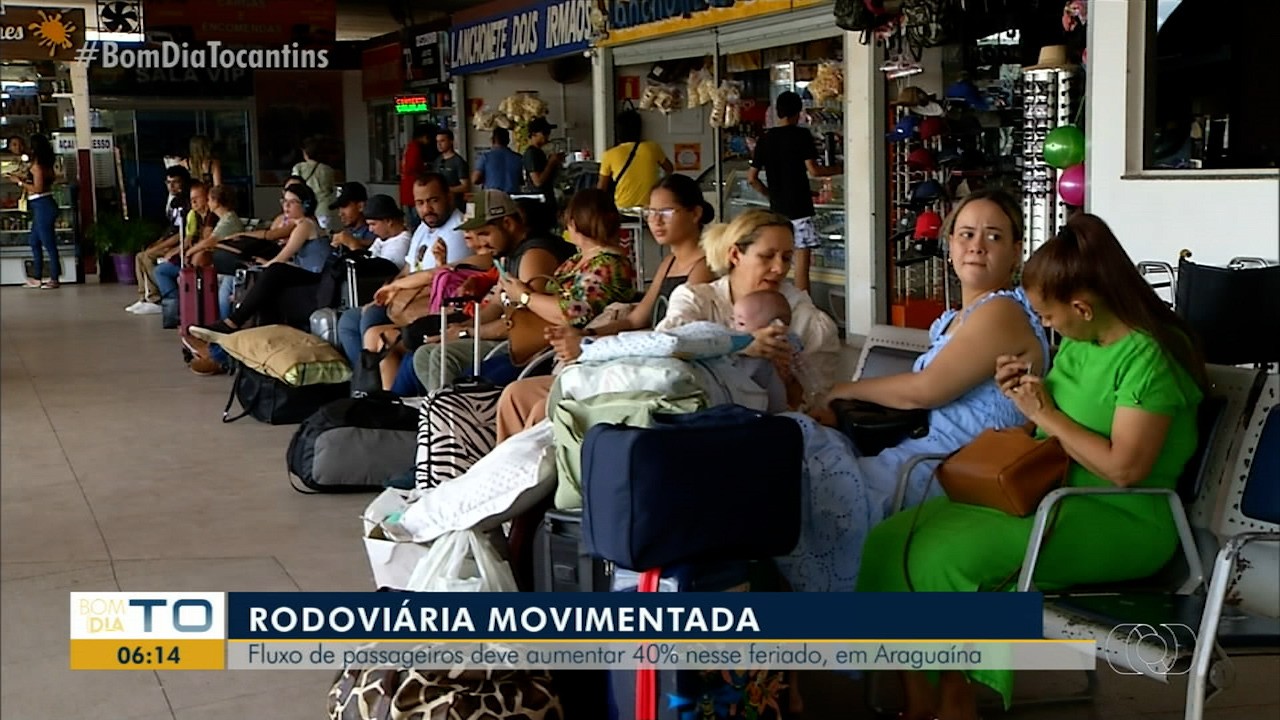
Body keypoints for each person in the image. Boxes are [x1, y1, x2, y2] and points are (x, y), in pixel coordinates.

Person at [857, 213, 1206, 720]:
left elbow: (1125, 470)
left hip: (1121, 518)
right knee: (892, 539)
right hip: (1050, 498)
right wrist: (1021, 393)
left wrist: (1046, 415)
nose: (1045, 325)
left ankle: (955, 699)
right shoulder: (1084, 344)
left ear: (1082, 306)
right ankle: (920, 698)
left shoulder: (1148, 358)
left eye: (1047, 315)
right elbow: (1047, 427)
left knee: (948, 556)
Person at [775, 190, 1051, 595]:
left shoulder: (1002, 312)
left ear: (1016, 251)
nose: (976, 246)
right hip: (919, 455)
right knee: (787, 467)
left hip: (948, 470)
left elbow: (925, 391)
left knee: (794, 484)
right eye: (966, 234)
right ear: (950, 244)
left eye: (993, 236)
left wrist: (841, 390)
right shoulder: (958, 318)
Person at [495, 174, 715, 440]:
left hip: (662, 370)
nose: (655, 220)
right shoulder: (669, 263)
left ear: (695, 213)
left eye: (666, 212)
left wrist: (590, 344)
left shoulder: (704, 266)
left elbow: (673, 338)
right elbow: (636, 319)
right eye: (650, 212)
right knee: (515, 395)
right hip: (639, 358)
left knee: (546, 407)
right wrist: (586, 335)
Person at [408, 189, 580, 392]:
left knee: (442, 356)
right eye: (474, 235)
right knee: (423, 355)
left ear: (508, 224)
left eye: (484, 234)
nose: (479, 243)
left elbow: (527, 322)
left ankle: (451, 410)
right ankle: (438, 407)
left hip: (533, 347)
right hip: (509, 337)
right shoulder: (507, 254)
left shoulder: (534, 255)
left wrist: (466, 332)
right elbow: (497, 304)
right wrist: (457, 328)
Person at [337, 173, 466, 367]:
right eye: (420, 203)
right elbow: (408, 267)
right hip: (404, 298)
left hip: (427, 303)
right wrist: (388, 289)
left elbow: (440, 279)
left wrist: (395, 291)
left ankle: (373, 378)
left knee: (372, 317)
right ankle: (363, 376)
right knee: (348, 320)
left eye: (433, 200)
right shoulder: (424, 227)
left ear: (448, 197)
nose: (427, 209)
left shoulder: (458, 230)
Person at [190, 184, 335, 334]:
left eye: (292, 202)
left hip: (318, 277)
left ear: (306, 205)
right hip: (309, 273)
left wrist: (264, 269)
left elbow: (282, 258)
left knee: (274, 271)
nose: (286, 206)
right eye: (284, 201)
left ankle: (234, 321)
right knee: (265, 271)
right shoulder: (300, 224)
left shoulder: (305, 225)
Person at [748, 90, 843, 293]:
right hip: (800, 209)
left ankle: (774, 302)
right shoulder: (801, 135)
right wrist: (840, 169)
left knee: (775, 265)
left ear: (777, 112)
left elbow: (752, 178)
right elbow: (814, 170)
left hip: (776, 212)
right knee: (801, 268)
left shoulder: (765, 139)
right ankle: (803, 306)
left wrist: (770, 194)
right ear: (799, 113)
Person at [127, 166, 192, 313]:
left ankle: (155, 298)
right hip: (171, 242)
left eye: (175, 182)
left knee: (148, 256)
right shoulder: (174, 203)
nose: (171, 186)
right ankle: (143, 297)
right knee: (140, 256)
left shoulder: (186, 203)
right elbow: (171, 229)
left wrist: (159, 248)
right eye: (168, 182)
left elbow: (180, 234)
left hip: (181, 245)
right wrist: (157, 243)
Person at [9, 134, 59, 288]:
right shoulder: (45, 164)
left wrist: (19, 182)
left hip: (42, 204)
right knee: (34, 241)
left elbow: (38, 188)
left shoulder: (37, 166)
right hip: (42, 205)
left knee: (48, 243)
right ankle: (37, 277)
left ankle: (54, 278)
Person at [597, 109, 673, 209]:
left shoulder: (609, 154)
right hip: (649, 207)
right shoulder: (653, 148)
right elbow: (669, 168)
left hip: (623, 208)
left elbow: (601, 188)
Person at [291, 137, 337, 232]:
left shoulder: (299, 168)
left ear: (305, 153)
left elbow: (293, 187)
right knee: (325, 233)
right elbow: (331, 188)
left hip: (305, 208)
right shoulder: (328, 170)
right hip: (323, 208)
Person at [400, 123, 439, 229]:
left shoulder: (410, 147)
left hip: (408, 191)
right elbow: (412, 168)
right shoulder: (415, 148)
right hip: (414, 190)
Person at [522, 117, 563, 206]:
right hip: (540, 202)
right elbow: (538, 181)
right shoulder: (531, 153)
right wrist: (551, 162)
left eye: (548, 132)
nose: (547, 136)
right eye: (544, 133)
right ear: (533, 134)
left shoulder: (539, 152)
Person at [471, 127, 523, 194]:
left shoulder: (485, 157)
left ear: (492, 140)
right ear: (508, 141)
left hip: (493, 196)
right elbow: (521, 181)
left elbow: (475, 180)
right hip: (513, 196)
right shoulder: (518, 158)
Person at [432, 128, 470, 209]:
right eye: (437, 141)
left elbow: (465, 186)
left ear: (451, 141)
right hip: (440, 205)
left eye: (442, 141)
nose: (439, 144)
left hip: (455, 205)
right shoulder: (437, 160)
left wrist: (447, 190)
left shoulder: (458, 162)